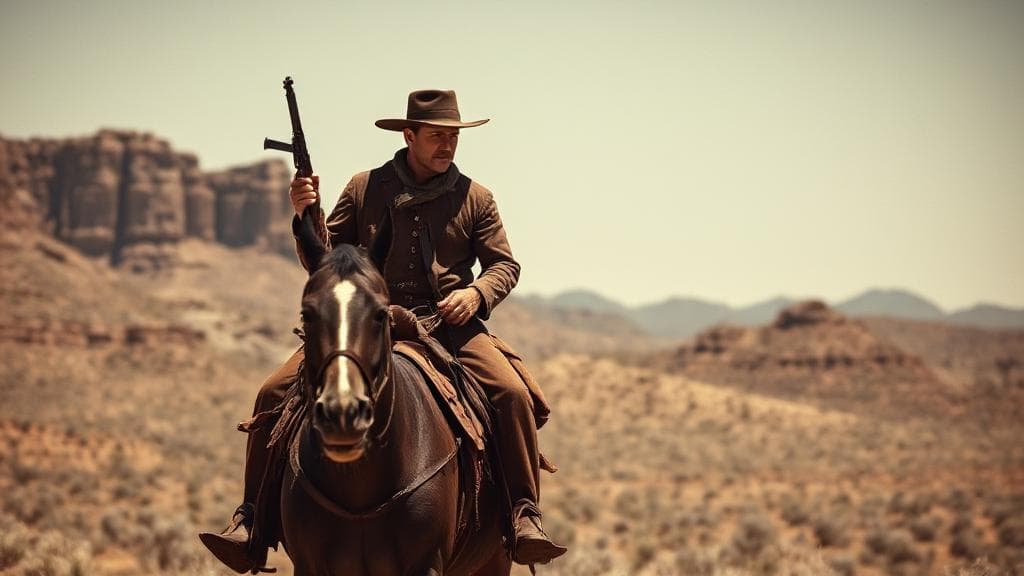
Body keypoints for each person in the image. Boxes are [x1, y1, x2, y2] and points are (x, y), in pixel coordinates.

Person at [200, 89, 565, 573]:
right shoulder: (363, 187)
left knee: (513, 394)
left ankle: (523, 515)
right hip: (366, 321)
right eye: (437, 135)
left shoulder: (476, 197)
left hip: (447, 326)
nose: (448, 145)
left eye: (453, 136)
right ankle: (251, 521)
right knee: (273, 392)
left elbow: (504, 265)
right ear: (409, 135)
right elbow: (330, 259)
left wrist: (475, 296)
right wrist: (303, 213)